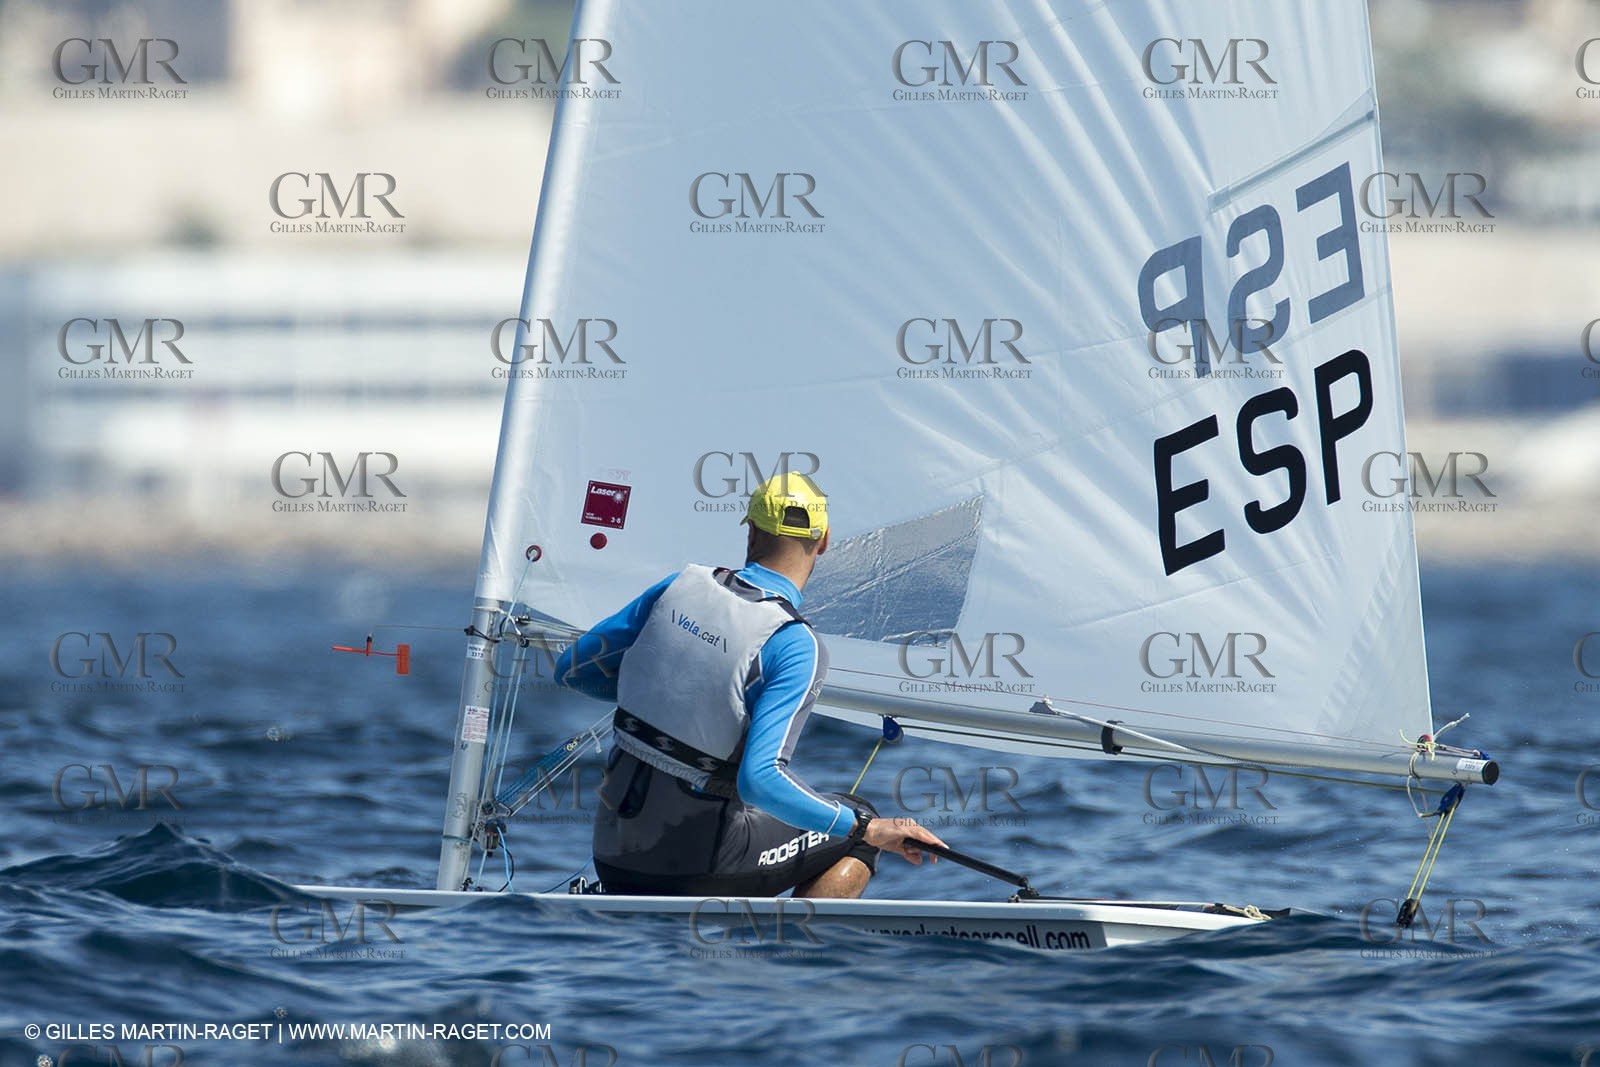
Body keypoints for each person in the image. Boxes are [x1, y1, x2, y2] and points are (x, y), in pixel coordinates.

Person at [554, 471, 946, 897]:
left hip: (612, 861)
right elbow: (759, 781)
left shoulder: (680, 585)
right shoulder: (794, 644)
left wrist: (670, 694)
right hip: (692, 869)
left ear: (752, 531)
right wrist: (870, 829)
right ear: (825, 540)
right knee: (858, 820)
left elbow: (572, 670)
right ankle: (792, 950)